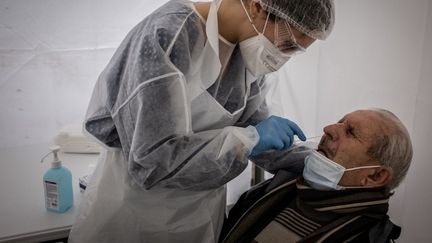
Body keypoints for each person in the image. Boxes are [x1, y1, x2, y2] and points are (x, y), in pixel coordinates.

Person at [68, 0, 335, 242]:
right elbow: (151, 162)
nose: (283, 56)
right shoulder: (169, 34)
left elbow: (258, 134)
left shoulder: (247, 53)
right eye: (288, 44)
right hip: (132, 214)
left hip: (199, 216)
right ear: (256, 7)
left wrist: (325, 166)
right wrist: (249, 139)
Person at [220, 108, 413, 243]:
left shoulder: (363, 236)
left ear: (376, 176)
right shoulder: (284, 185)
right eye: (339, 122)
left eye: (350, 132)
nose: (328, 129)